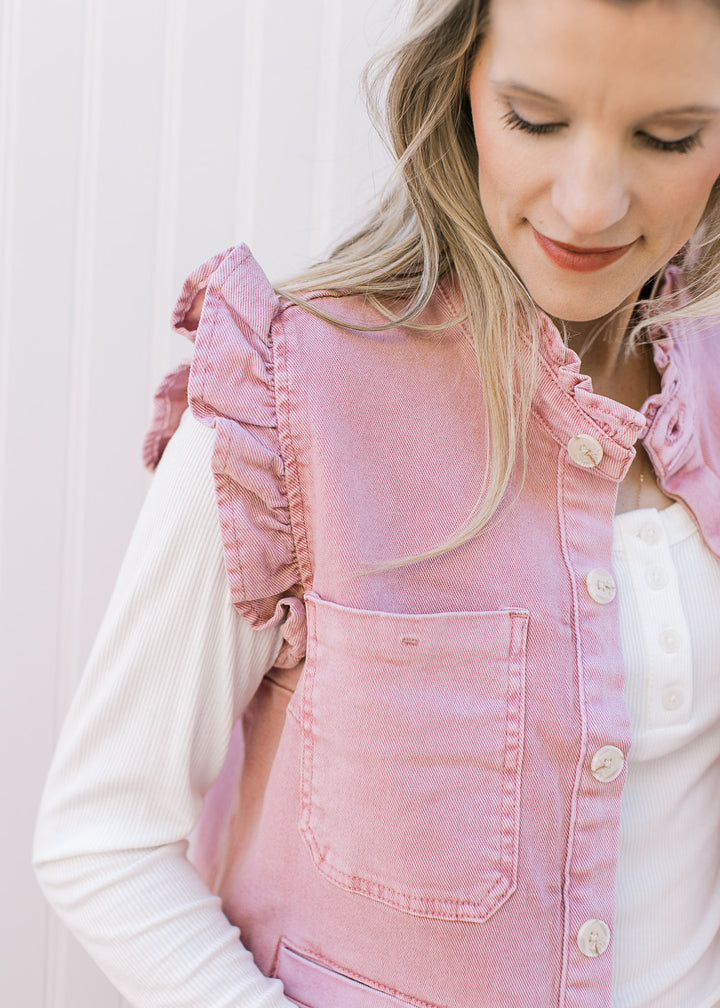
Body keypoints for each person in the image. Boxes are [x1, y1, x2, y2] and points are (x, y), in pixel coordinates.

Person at [33, 0, 720, 1006]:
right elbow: (102, 841)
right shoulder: (286, 390)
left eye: (669, 137)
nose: (587, 204)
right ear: (459, 88)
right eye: (535, 119)